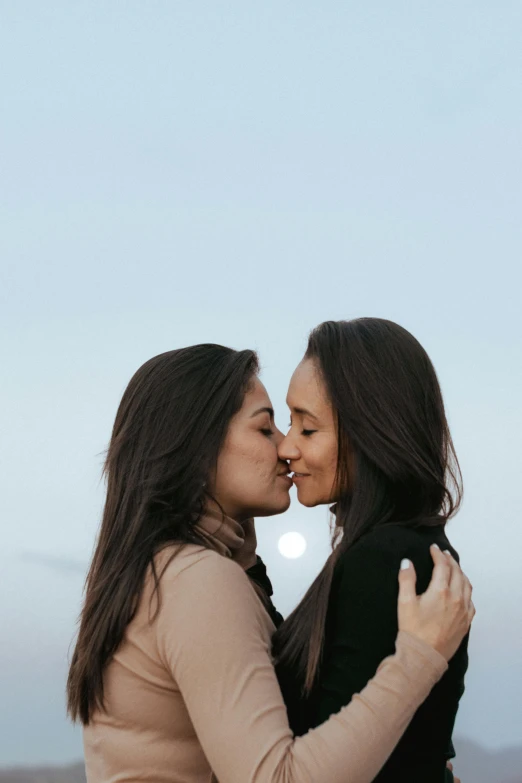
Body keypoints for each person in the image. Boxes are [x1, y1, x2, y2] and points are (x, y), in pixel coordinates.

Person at [66, 343, 474, 783]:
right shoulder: (196, 580)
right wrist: (418, 660)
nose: (284, 447)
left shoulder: (160, 571)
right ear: (197, 446)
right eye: (266, 429)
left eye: (303, 428)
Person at [275, 318, 470, 783]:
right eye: (288, 422)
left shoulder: (388, 559)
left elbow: (332, 760)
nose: (286, 446)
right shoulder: (404, 546)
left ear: (370, 432)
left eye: (308, 428)